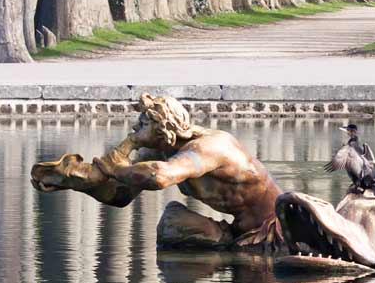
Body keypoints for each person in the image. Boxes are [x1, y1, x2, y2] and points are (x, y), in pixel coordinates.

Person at [31, 93, 285, 249]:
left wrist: (117, 164)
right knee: (173, 224)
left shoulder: (210, 147)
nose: (135, 129)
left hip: (275, 230)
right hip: (239, 229)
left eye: (143, 123)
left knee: (172, 225)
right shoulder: (161, 151)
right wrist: (75, 181)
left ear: (162, 127)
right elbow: (120, 195)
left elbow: (159, 177)